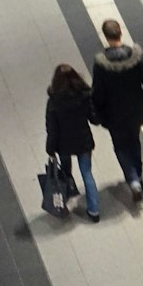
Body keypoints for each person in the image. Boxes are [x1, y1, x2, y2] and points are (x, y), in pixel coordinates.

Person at [89, 18, 143, 199]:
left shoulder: (101, 62)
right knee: (134, 141)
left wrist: (97, 109)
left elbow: (98, 91)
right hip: (134, 110)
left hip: (113, 114)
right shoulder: (136, 56)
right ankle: (138, 174)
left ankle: (132, 179)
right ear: (120, 31)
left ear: (105, 36)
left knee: (120, 146)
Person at [45, 63, 100, 221]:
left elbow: (52, 128)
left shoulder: (54, 101)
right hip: (83, 140)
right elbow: (94, 118)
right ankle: (94, 210)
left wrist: (50, 148)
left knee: (66, 173)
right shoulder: (84, 94)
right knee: (87, 173)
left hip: (63, 144)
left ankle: (68, 199)